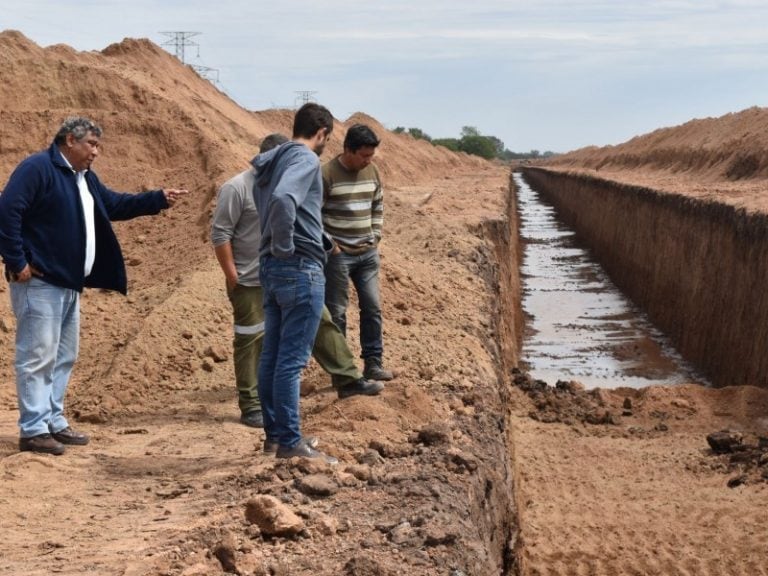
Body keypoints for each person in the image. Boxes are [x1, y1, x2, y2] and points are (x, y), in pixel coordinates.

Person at [0, 116, 188, 455]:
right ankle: (32, 429)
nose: (96, 152)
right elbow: (7, 211)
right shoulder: (37, 168)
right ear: (70, 141)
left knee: (63, 356)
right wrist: (17, 262)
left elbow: (114, 205)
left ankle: (52, 422)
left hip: (69, 284)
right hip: (40, 283)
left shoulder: (84, 178)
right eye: (92, 144)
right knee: (37, 355)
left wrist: (157, 198)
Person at [211, 134, 383, 429]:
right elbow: (221, 234)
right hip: (249, 280)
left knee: (321, 322)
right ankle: (252, 406)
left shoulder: (288, 183)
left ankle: (348, 378)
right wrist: (232, 275)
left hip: (290, 272)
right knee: (251, 340)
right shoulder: (237, 187)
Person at [251, 104, 339, 463]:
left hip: (272, 268)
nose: (324, 146)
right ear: (320, 132)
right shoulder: (303, 160)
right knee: (290, 361)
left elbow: (288, 206)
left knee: (272, 356)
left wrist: (308, 238)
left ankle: (275, 436)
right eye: (327, 140)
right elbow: (286, 200)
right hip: (297, 268)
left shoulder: (273, 161)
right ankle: (290, 442)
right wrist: (288, 246)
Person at [322, 123, 394, 382]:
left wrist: (375, 235)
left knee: (372, 308)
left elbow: (378, 204)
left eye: (371, 155)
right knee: (338, 312)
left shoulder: (372, 171)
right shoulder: (327, 174)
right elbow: (312, 215)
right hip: (339, 257)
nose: (368, 160)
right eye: (364, 155)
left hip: (367, 254)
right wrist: (331, 245)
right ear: (348, 150)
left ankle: (373, 363)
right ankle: (344, 371)